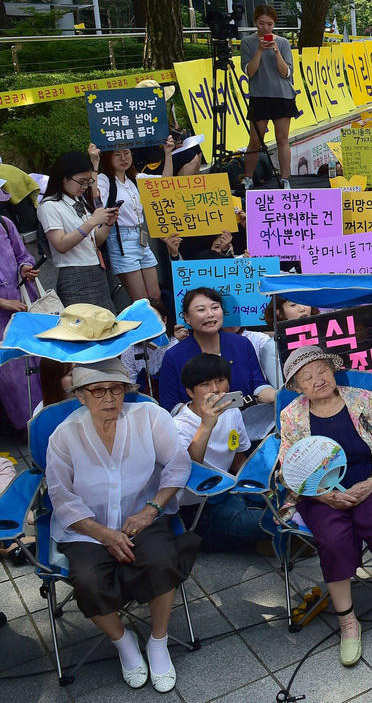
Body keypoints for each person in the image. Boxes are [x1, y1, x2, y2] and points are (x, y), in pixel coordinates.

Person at [45, 359, 196, 692]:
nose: (109, 397)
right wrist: (102, 534)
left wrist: (151, 509)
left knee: (160, 560)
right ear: (80, 395)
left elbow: (178, 463)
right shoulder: (65, 436)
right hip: (87, 526)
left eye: (116, 389)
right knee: (87, 579)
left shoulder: (150, 417)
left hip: (142, 514)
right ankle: (123, 642)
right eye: (98, 391)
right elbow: (60, 494)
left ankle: (158, 641)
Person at [277, 346, 372, 666]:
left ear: (333, 370)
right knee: (333, 539)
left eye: (322, 371)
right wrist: (322, 494)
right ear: (297, 387)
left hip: (370, 482)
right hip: (321, 493)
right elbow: (290, 467)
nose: (317, 380)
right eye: (307, 377)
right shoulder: (292, 416)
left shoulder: (362, 400)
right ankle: (348, 623)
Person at [173, 354, 266, 552]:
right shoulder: (179, 426)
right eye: (205, 384)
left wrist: (261, 489)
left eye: (220, 381)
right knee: (268, 523)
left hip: (229, 490)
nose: (216, 390)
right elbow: (186, 472)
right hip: (198, 506)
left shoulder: (231, 411)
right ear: (190, 391)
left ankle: (260, 540)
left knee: (285, 508)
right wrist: (206, 425)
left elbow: (238, 457)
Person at [157, 287, 276, 415]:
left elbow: (258, 385)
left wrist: (279, 396)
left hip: (247, 422)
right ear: (187, 318)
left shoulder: (242, 344)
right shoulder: (174, 356)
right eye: (201, 310)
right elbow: (170, 405)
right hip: (198, 428)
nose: (210, 314)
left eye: (215, 308)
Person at [37, 151, 119, 309]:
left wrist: (108, 223)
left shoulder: (78, 200)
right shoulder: (49, 205)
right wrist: (92, 221)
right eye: (81, 182)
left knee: (106, 323)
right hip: (73, 274)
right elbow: (61, 244)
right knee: (84, 327)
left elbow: (97, 240)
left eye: (88, 182)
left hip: (96, 269)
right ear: (64, 177)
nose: (84, 187)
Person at [241, 5, 297, 190]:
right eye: (261, 23)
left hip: (282, 95)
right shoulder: (248, 43)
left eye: (269, 24)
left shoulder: (282, 43)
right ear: (255, 22)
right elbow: (250, 71)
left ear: (274, 24)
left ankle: (285, 178)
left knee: (282, 139)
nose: (265, 28)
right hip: (259, 96)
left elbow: (286, 72)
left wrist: (275, 51)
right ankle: (248, 178)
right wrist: (259, 50)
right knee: (255, 140)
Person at [98, 147, 162, 303]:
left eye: (126, 153)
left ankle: (160, 325)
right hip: (121, 238)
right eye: (117, 155)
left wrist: (167, 152)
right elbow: (94, 194)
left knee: (155, 295)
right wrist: (94, 161)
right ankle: (147, 327)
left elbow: (164, 182)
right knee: (141, 301)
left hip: (141, 236)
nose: (123, 158)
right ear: (108, 158)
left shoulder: (135, 178)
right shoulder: (104, 179)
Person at [0, 186, 41, 431]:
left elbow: (22, 256)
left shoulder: (5, 224)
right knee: (12, 376)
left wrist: (25, 268)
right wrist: (3, 303)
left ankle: (43, 420)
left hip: (22, 310)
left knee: (35, 366)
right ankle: (27, 428)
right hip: (5, 313)